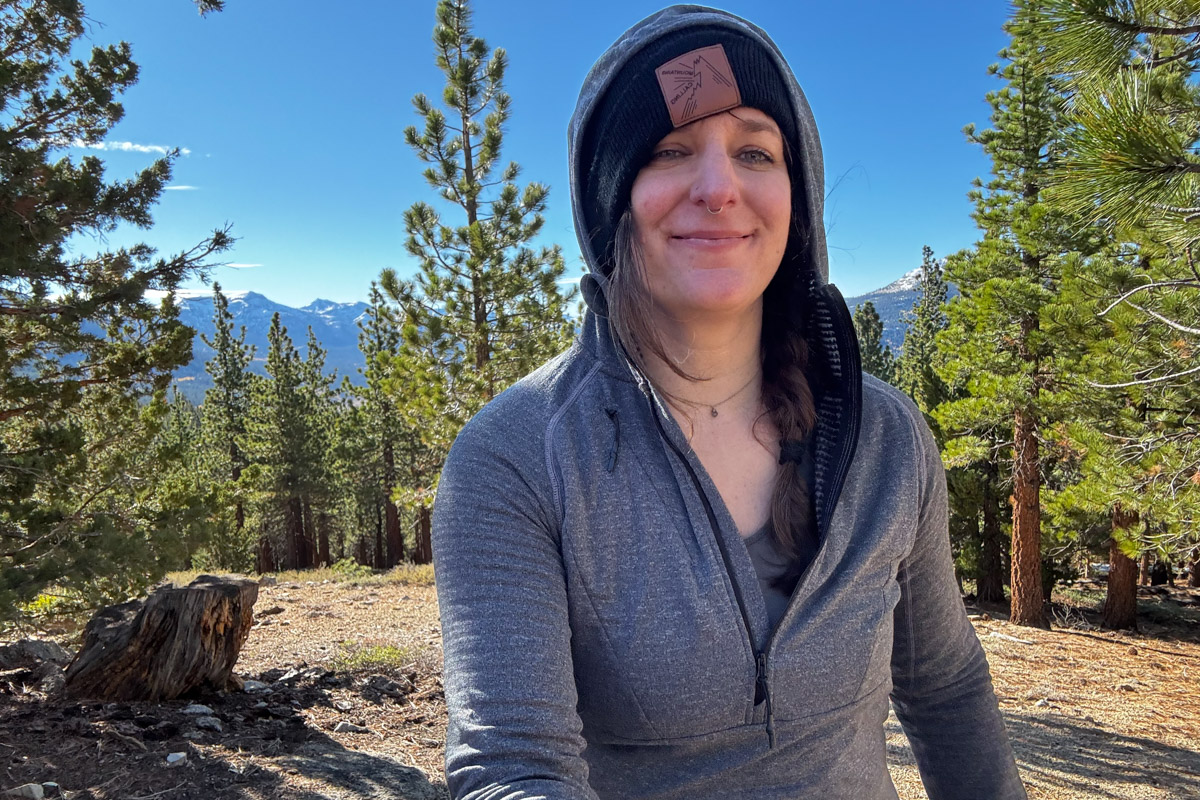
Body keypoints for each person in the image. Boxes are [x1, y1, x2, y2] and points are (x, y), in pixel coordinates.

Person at [432, 5, 1027, 799]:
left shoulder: (886, 439)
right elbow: (512, 767)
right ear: (613, 199)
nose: (718, 188)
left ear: (796, 194)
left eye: (754, 150)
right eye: (671, 151)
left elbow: (947, 689)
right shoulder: (516, 459)